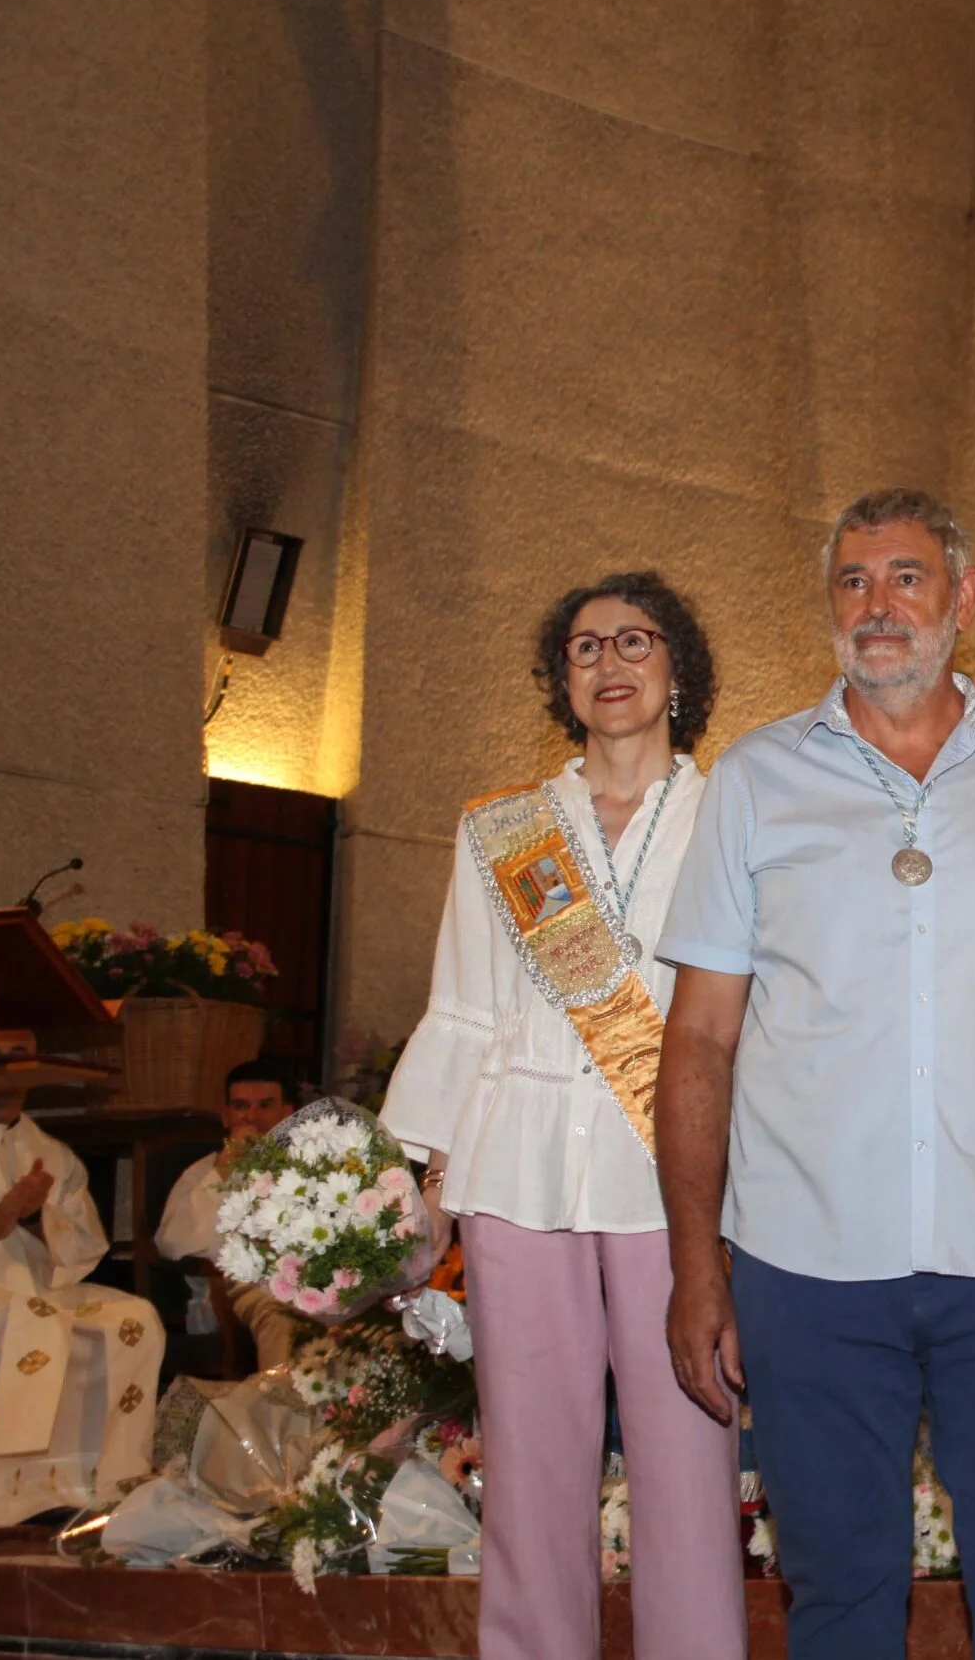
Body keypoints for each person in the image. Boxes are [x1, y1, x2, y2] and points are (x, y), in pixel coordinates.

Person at [657, 487, 975, 1660]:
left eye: (907, 577)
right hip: (805, 1259)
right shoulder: (754, 780)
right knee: (836, 1597)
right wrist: (695, 1266)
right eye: (854, 581)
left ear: (963, 598)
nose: (878, 607)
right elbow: (699, 1042)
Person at [380, 570, 743, 1660]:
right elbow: (463, 1010)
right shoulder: (501, 831)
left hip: (669, 1174)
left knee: (689, 1458)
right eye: (586, 649)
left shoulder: (735, 813)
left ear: (678, 671)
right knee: (531, 1465)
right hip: (517, 1170)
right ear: (561, 681)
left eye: (636, 643)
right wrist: (431, 1188)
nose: (611, 664)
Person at [0, 1082, 166, 1525]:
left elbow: (84, 1245)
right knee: (30, 1327)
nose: (5, 1073)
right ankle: (7, 1498)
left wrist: (36, 1216)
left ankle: (103, 1485)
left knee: (134, 1320)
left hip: (41, 1287)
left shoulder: (52, 1154)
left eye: (20, 1054)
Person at [154, 1058, 302, 1370]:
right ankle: (282, 1414)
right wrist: (225, 1168)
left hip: (313, 1280)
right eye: (240, 1106)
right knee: (283, 1312)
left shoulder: (311, 1166)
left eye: (265, 1105)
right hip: (241, 1287)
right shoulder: (204, 1172)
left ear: (287, 1114)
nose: (252, 1117)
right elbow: (172, 1244)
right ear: (226, 1115)